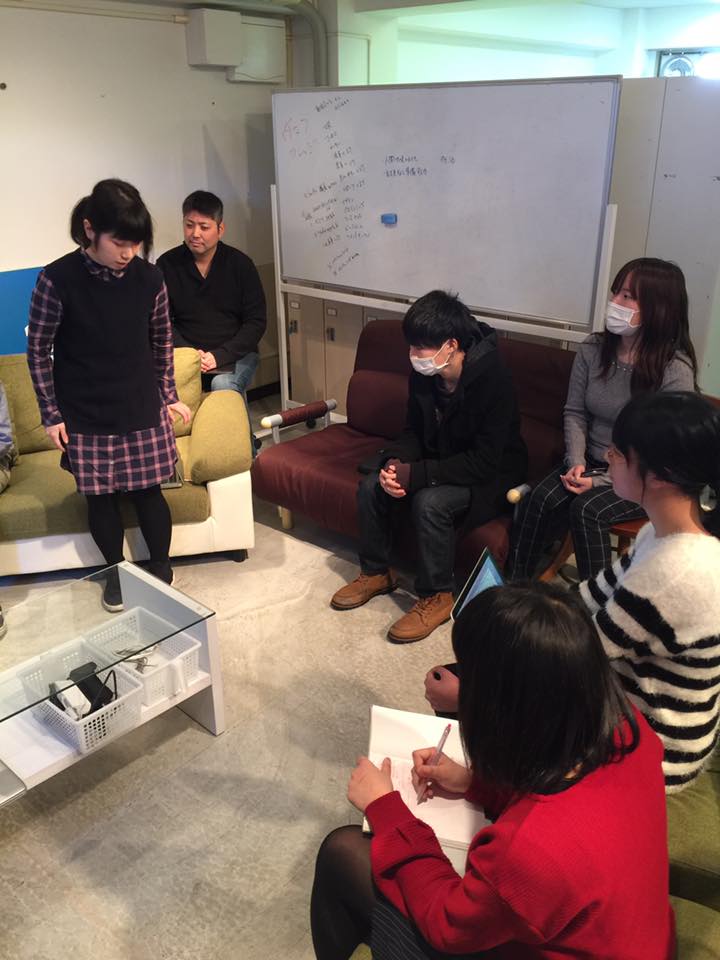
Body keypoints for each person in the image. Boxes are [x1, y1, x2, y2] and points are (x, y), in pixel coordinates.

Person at [311, 582, 674, 959]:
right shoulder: (631, 731)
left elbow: (447, 925)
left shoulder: (530, 851)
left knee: (342, 852)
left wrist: (386, 809)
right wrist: (475, 782)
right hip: (633, 939)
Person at [425, 391, 720, 793]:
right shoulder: (661, 534)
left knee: (470, 685)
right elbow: (586, 597)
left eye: (618, 453)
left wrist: (475, 698)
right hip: (621, 700)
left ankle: (485, 791)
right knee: (482, 663)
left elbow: (575, 659)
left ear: (660, 476)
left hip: (651, 753)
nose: (608, 458)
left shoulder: (677, 570)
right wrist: (514, 608)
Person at [27, 179, 190, 612]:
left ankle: (161, 567)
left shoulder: (150, 278)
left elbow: (162, 342)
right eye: (119, 242)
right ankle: (116, 572)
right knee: (100, 499)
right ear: (89, 230)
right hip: (84, 410)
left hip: (141, 403)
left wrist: (169, 395)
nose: (128, 253)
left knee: (150, 493)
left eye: (135, 243)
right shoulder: (56, 280)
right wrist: (51, 414)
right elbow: (38, 350)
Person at [330, 290, 527, 644]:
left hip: (491, 474)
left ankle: (437, 595)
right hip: (442, 461)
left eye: (421, 347)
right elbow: (413, 431)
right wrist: (397, 463)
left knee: (430, 502)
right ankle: (375, 572)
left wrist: (418, 475)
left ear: (451, 345)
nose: (414, 355)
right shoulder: (424, 375)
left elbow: (484, 461)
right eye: (411, 345)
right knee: (372, 484)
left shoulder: (494, 380)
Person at [508, 257, 697, 582]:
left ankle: (599, 604)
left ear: (658, 307)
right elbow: (575, 411)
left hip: (644, 475)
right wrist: (576, 462)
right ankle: (515, 587)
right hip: (590, 461)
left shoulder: (674, 369)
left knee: (588, 510)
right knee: (537, 499)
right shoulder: (593, 349)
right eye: (616, 292)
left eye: (627, 296)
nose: (615, 302)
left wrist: (601, 481)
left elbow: (664, 449)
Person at [157, 190, 266, 398]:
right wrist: (191, 354)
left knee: (223, 384)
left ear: (220, 229)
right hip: (187, 354)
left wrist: (219, 355)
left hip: (236, 353)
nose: (195, 233)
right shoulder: (166, 265)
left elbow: (256, 322)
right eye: (189, 225)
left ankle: (236, 422)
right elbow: (162, 321)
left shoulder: (240, 264)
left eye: (204, 227)